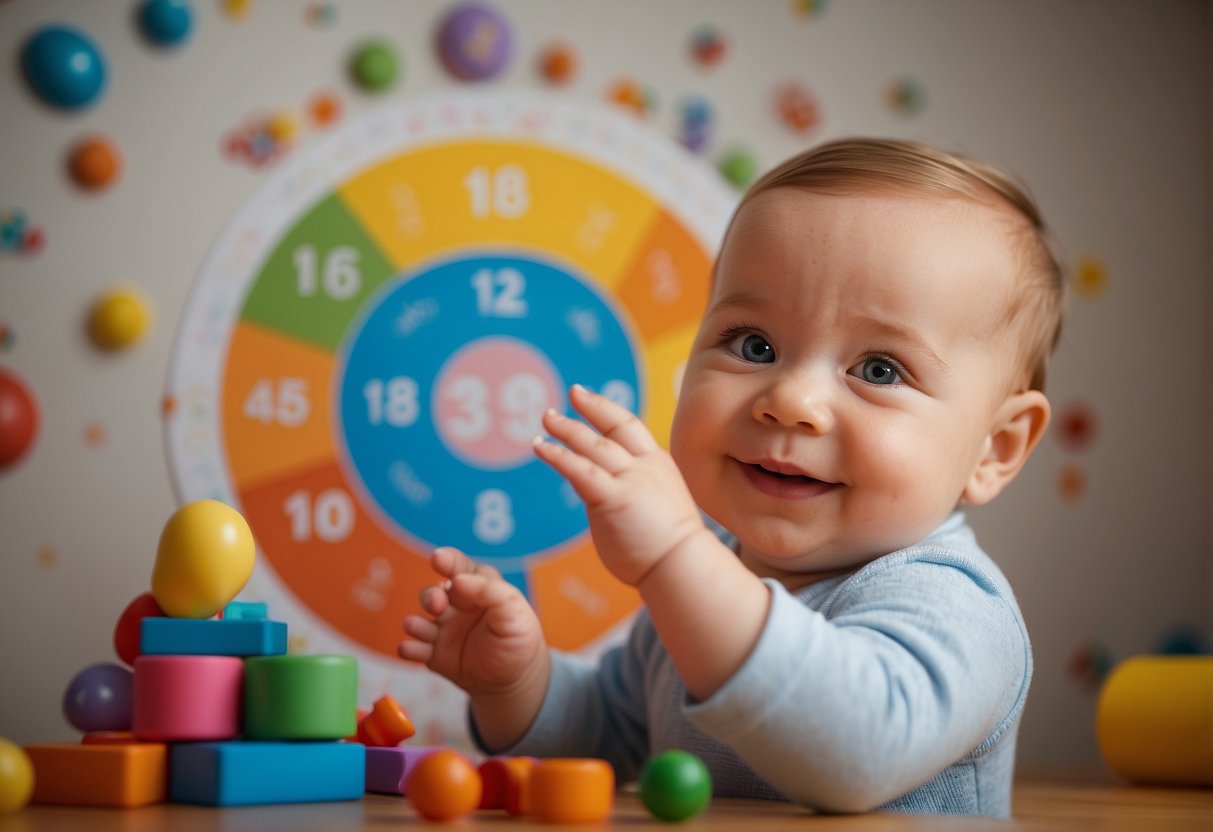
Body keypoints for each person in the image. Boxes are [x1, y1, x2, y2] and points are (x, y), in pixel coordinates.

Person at [398, 137, 1065, 817]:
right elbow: (611, 731)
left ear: (994, 449)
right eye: (755, 346)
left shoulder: (952, 602)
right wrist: (518, 685)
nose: (791, 400)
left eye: (878, 370)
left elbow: (860, 752)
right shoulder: (706, 580)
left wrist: (673, 557)